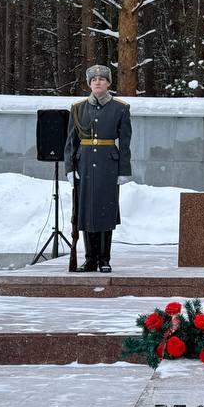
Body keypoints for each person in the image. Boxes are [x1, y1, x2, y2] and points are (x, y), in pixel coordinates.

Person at [65, 65, 132, 272]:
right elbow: (71, 141)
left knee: (104, 212)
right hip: (84, 165)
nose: (97, 82)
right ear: (89, 83)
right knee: (85, 213)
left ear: (109, 83)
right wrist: (69, 167)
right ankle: (90, 259)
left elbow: (126, 143)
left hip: (107, 166)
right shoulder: (78, 108)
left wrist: (123, 170)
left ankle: (104, 259)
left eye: (102, 79)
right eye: (93, 79)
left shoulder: (120, 108)